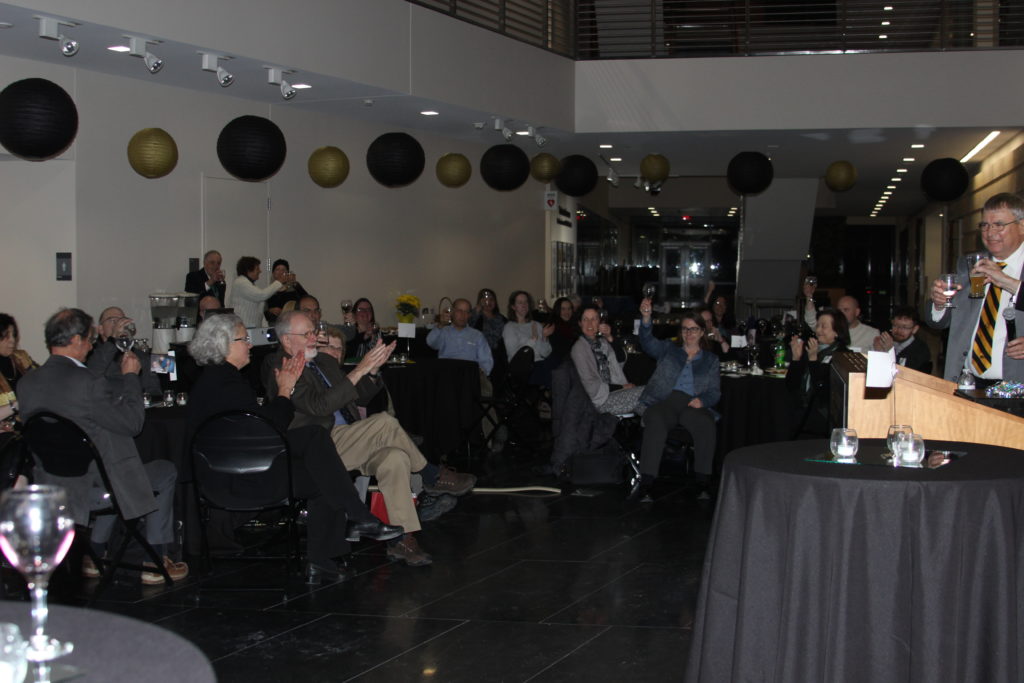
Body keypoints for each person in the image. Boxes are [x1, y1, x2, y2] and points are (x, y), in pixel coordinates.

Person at [187, 313, 402, 584]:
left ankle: (345, 533)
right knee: (322, 466)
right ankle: (343, 534)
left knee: (318, 451)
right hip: (241, 477)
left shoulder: (215, 380)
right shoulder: (228, 383)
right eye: (245, 339)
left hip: (231, 470)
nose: (250, 345)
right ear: (224, 344)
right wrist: (284, 391)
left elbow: (256, 430)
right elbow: (268, 430)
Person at [264, 311, 476, 567]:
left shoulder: (323, 362)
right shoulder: (279, 366)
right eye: (307, 334)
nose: (314, 338)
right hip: (320, 446)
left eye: (313, 331)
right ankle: (430, 474)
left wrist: (373, 371)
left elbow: (355, 396)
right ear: (287, 340)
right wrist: (360, 369)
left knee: (395, 458)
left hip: (353, 436)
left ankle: (402, 538)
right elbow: (319, 407)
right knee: (385, 422)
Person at [17, 308, 187, 584]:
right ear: (74, 340)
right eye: (88, 339)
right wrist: (131, 377)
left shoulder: (27, 384)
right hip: (93, 488)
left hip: (50, 486)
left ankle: (95, 551)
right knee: (164, 471)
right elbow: (133, 424)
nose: (90, 345)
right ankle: (154, 559)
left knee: (105, 464)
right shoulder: (88, 383)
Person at [927, 192, 1024, 385]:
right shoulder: (970, 263)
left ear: (1022, 226)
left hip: (1016, 385)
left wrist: (1005, 280)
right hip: (968, 381)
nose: (989, 233)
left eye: (999, 225)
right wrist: (939, 303)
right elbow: (939, 323)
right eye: (985, 225)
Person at [634, 304, 720, 501]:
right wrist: (646, 319)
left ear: (702, 332)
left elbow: (715, 392)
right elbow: (647, 343)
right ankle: (647, 482)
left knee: (706, 424)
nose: (689, 333)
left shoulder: (710, 360)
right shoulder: (669, 350)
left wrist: (703, 400)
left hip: (693, 403)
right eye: (685, 329)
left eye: (694, 329)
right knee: (655, 418)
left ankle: (703, 482)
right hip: (667, 399)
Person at [786, 308, 849, 438]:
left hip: (823, 419)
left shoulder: (843, 355)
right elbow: (791, 385)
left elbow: (823, 391)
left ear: (837, 331)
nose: (818, 330)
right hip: (802, 414)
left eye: (824, 326)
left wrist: (813, 360)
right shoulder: (812, 349)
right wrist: (796, 358)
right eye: (818, 326)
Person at [571, 304, 643, 414]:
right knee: (646, 393)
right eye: (585, 319)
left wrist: (609, 337)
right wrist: (622, 387)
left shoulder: (602, 343)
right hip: (598, 402)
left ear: (599, 322)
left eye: (594, 319)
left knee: (647, 404)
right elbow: (591, 387)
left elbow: (621, 360)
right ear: (580, 323)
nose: (590, 323)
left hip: (613, 394)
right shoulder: (579, 349)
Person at [0, 314, 38, 488]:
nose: (12, 341)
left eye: (14, 335)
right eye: (6, 336)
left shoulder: (21, 359)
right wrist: (17, 406)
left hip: (29, 425)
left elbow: (42, 382)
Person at [88, 306, 161, 394]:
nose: (119, 324)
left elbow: (154, 390)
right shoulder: (91, 352)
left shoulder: (139, 355)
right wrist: (113, 337)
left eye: (122, 320)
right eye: (113, 320)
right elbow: (92, 373)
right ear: (101, 329)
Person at [426, 299, 494, 376]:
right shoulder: (443, 331)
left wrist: (479, 372)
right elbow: (431, 342)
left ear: (469, 315)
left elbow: (486, 361)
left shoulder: (477, 335)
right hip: (447, 373)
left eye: (466, 312)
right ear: (452, 312)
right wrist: (441, 325)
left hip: (470, 374)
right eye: (459, 311)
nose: (463, 315)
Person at [502, 291, 555, 386]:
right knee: (550, 371)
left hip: (540, 364)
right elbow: (514, 355)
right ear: (513, 307)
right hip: (522, 368)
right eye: (520, 302)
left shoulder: (536, 324)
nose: (524, 305)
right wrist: (533, 339)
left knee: (558, 368)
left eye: (526, 302)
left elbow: (546, 353)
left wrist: (544, 337)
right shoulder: (509, 327)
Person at [227, 256, 285, 328]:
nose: (260, 271)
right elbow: (262, 295)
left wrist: (265, 327)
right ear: (248, 271)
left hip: (250, 327)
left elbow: (259, 310)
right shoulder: (240, 282)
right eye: (257, 269)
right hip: (243, 327)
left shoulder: (249, 284)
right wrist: (279, 282)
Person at [872, 306, 932, 373]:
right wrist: (879, 352)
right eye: (895, 325)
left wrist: (890, 351)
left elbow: (903, 373)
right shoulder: (888, 341)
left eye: (904, 327)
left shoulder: (921, 349)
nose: (898, 330)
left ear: (915, 329)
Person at [263, 259, 309, 324]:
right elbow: (263, 311)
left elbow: (307, 300)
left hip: (294, 323)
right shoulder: (269, 290)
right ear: (273, 273)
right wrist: (270, 311)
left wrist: (294, 283)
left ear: (288, 273)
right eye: (277, 269)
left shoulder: (294, 288)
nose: (281, 272)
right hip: (274, 324)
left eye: (283, 270)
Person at [469, 288, 506, 354]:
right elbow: (468, 329)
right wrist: (476, 311)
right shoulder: (474, 315)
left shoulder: (502, 318)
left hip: (498, 354)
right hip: (479, 352)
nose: (488, 302)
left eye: (491, 299)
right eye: (485, 299)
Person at [548, 296, 578, 361]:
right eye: (563, 309)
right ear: (557, 310)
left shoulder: (575, 324)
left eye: (569, 309)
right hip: (559, 362)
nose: (567, 312)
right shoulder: (552, 327)